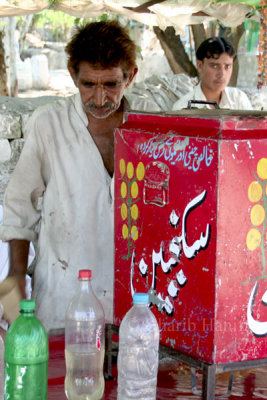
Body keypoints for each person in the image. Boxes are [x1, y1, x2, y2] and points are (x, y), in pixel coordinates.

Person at [0, 21, 138, 331]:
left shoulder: (148, 128)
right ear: (72, 75)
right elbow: (20, 207)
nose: (99, 99)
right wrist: (17, 275)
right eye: (89, 84)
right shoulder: (48, 124)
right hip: (64, 296)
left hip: (133, 302)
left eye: (111, 85)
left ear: (131, 76)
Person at [172, 37, 253, 110]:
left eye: (227, 66)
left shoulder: (239, 100)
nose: (222, 74)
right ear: (200, 66)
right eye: (214, 66)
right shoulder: (182, 108)